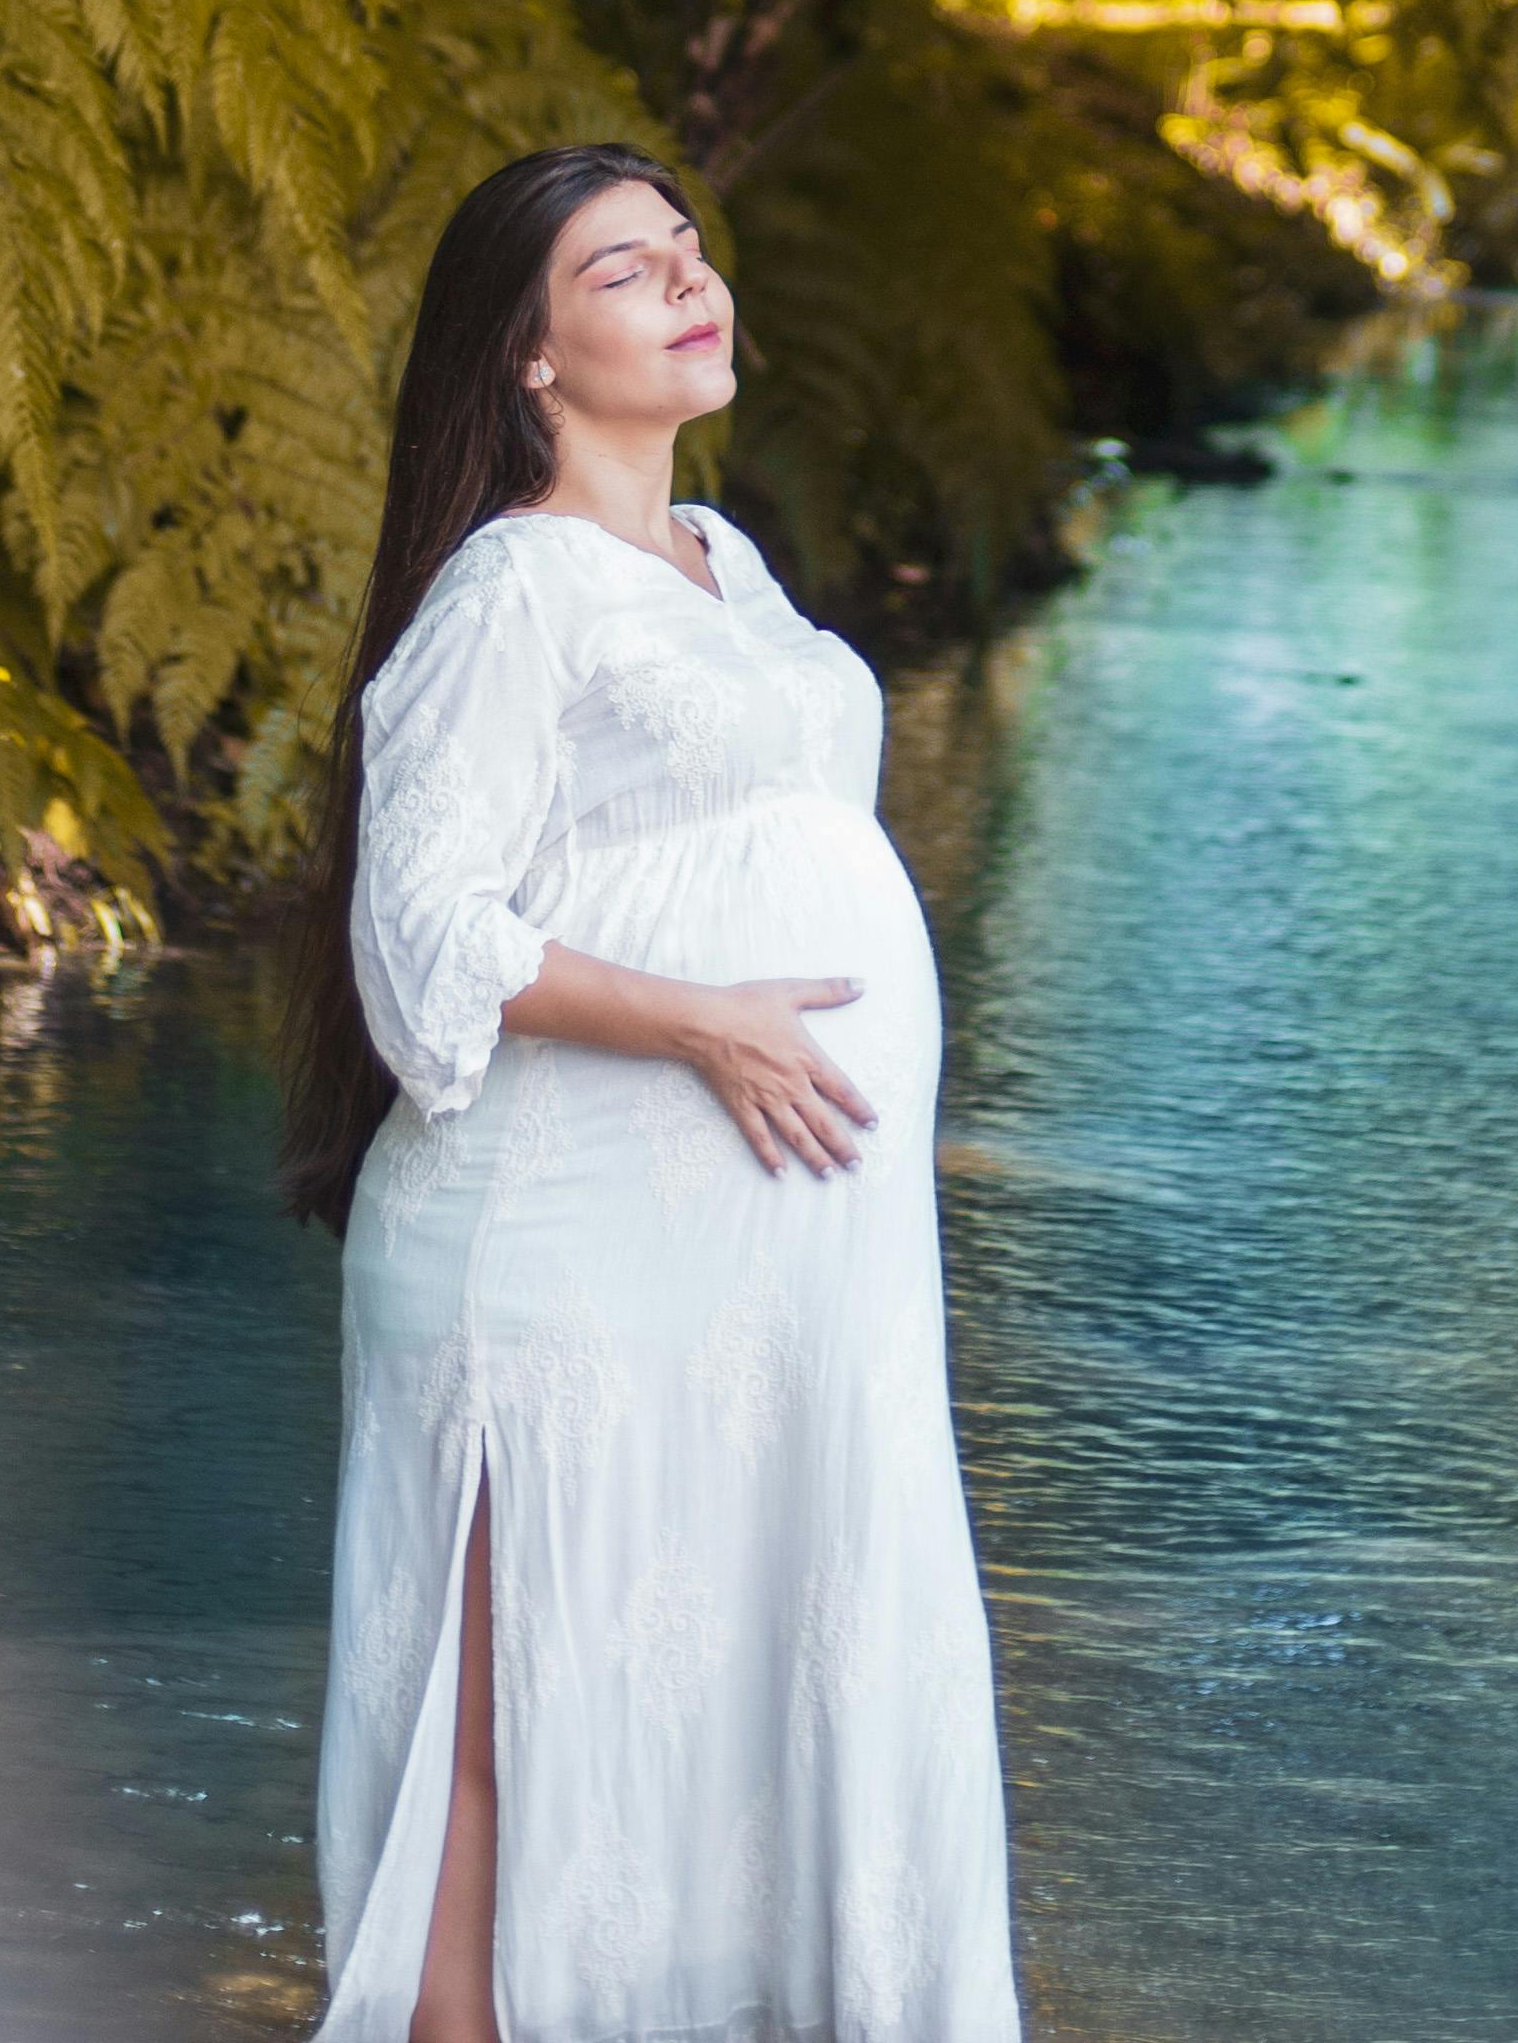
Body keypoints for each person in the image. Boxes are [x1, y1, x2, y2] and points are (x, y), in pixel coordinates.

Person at [279, 144, 1022, 2043]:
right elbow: (425, 937)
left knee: (723, 1702)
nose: (693, 283)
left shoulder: (730, 570)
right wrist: (701, 1023)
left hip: (759, 1270)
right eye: (626, 271)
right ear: (529, 357)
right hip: (558, 1236)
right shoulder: (507, 594)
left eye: (692, 249)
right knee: (515, 1719)